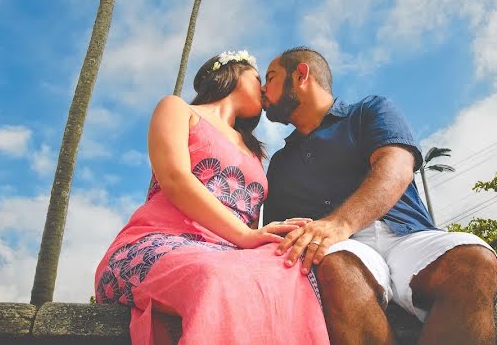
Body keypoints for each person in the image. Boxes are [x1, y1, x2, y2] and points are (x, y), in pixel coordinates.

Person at [262, 47, 497, 345]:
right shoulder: (280, 163)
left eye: (270, 78)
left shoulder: (370, 110)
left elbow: (397, 166)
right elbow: (280, 233)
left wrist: (340, 223)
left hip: (408, 236)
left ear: (301, 75)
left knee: (473, 260)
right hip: (341, 248)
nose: (263, 88)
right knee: (334, 267)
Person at [94, 50, 328, 345]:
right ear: (232, 72)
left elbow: (250, 219)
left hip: (232, 254)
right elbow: (175, 179)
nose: (266, 90)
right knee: (217, 276)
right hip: (160, 241)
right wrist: (246, 235)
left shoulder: (254, 151)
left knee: (294, 278)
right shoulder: (178, 109)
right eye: (260, 79)